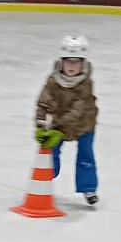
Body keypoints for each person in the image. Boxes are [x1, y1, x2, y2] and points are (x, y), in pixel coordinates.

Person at [35, 34, 99, 207]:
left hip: (84, 124)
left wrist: (56, 125)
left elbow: (77, 110)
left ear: (83, 63)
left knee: (85, 155)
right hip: (59, 123)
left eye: (76, 62)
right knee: (50, 150)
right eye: (68, 61)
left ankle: (88, 189)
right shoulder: (53, 81)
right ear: (61, 62)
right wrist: (40, 124)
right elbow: (43, 102)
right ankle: (45, 179)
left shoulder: (86, 83)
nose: (72, 66)